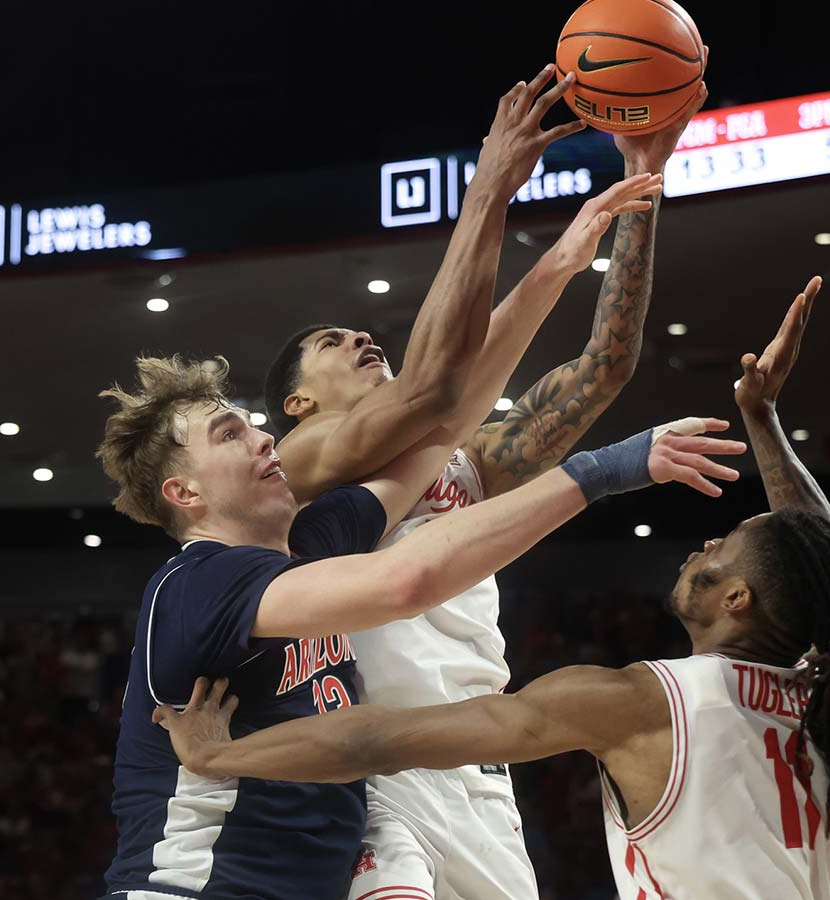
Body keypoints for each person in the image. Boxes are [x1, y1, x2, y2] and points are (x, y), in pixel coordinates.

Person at [153, 278, 830, 899]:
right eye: (334, 341)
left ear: (741, 600)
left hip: (455, 755)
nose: (705, 542)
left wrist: (218, 755)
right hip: (384, 766)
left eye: (723, 546)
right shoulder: (826, 702)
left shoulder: (635, 698)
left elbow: (579, 375)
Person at [91, 66, 710, 900]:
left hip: (472, 768)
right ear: (299, 401)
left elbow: (547, 384)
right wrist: (489, 187)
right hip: (377, 770)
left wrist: (585, 239)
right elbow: (434, 397)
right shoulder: (302, 466)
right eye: (335, 340)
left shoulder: (386, 489)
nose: (362, 339)